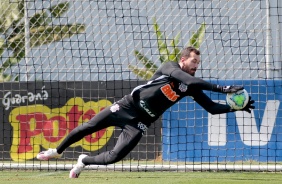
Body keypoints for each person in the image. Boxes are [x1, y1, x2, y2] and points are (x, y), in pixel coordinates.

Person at [37, 46, 255, 178]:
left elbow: (212, 108)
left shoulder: (192, 87)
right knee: (89, 127)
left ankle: (84, 161)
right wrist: (223, 88)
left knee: (114, 157)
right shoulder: (170, 67)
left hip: (139, 122)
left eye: (198, 62)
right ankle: (57, 150)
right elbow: (187, 78)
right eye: (193, 61)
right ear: (183, 60)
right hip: (126, 106)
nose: (196, 65)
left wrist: (235, 106)